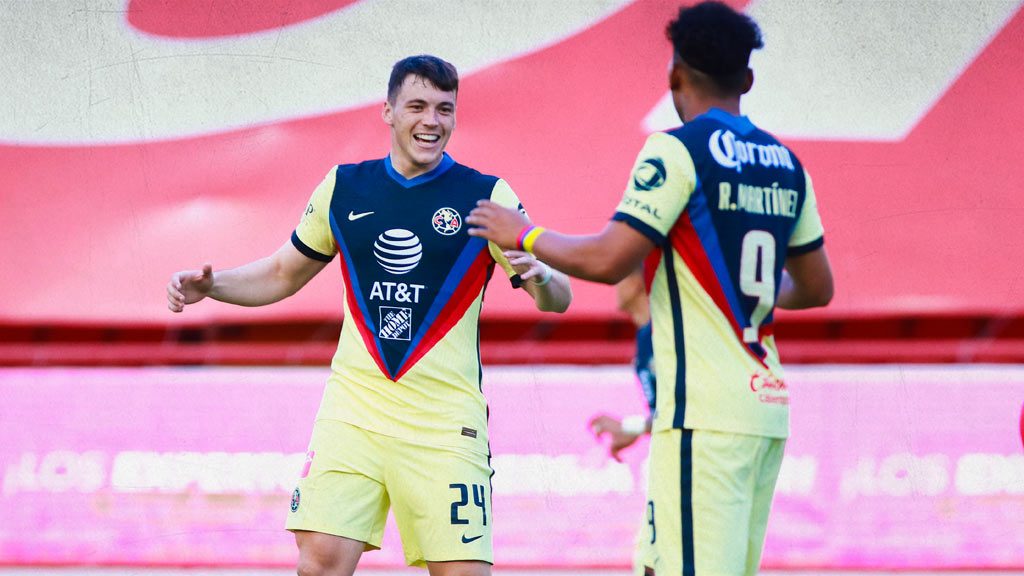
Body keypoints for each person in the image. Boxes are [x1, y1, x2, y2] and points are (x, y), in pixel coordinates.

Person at [166, 54, 572, 576]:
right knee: (320, 561)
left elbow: (558, 298)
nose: (432, 121)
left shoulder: (487, 196)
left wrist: (539, 275)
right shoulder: (344, 187)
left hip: (444, 422)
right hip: (354, 410)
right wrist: (212, 286)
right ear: (388, 111)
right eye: (418, 106)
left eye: (445, 109)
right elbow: (283, 273)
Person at [466, 2, 834, 574]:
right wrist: (739, 286)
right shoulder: (787, 164)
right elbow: (816, 288)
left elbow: (611, 259)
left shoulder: (677, 148)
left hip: (702, 416)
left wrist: (527, 233)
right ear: (748, 79)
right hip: (765, 411)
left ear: (675, 76)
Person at [589, 269, 658, 576]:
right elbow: (667, 410)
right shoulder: (647, 335)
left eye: (623, 272)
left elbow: (688, 408)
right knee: (650, 560)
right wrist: (635, 429)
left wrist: (629, 427)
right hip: (671, 458)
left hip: (691, 462)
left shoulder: (661, 334)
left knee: (656, 561)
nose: (614, 282)